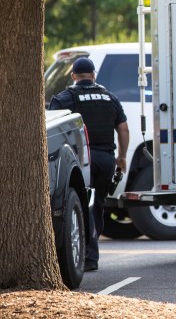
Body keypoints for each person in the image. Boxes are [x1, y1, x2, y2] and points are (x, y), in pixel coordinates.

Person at [49, 57, 129, 272]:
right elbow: (123, 128)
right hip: (105, 160)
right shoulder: (110, 98)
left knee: (79, 207)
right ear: (94, 75)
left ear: (73, 76)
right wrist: (122, 157)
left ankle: (81, 257)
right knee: (98, 206)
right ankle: (92, 258)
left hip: (81, 160)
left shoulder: (65, 98)